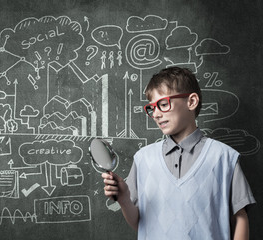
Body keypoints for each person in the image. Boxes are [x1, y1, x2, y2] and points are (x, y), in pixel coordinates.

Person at [102, 67, 255, 239]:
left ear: (191, 102)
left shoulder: (224, 157)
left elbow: (240, 218)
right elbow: (140, 222)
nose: (156, 114)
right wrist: (124, 199)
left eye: (163, 104)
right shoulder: (143, 158)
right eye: (152, 108)